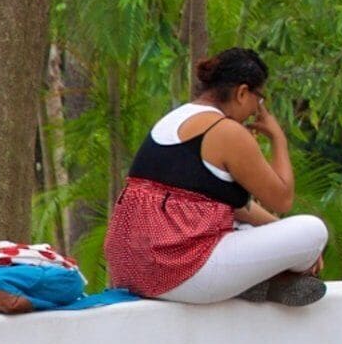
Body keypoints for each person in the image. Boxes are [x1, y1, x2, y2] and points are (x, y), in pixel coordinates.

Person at [104, 48, 330, 305]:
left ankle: (254, 282)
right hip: (180, 274)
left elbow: (234, 207)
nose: (258, 111)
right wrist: (278, 139)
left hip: (129, 271)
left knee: (242, 228)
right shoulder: (225, 130)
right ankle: (260, 279)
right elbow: (282, 199)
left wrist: (277, 231)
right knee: (314, 231)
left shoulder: (173, 119)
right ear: (242, 93)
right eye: (260, 99)